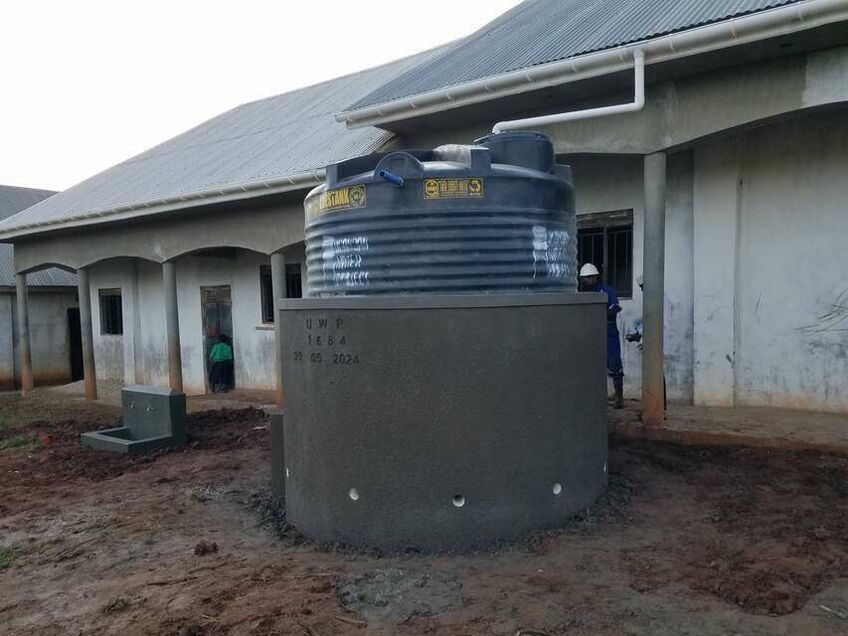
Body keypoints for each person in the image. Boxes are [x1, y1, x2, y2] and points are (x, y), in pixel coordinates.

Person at [579, 263, 624, 409]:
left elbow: (615, 307)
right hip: (591, 334)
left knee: (614, 364)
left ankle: (619, 397)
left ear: (595, 277)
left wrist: (601, 313)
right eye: (584, 278)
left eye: (588, 278)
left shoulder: (606, 291)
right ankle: (594, 396)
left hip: (609, 334)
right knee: (592, 366)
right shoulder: (581, 293)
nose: (586, 281)